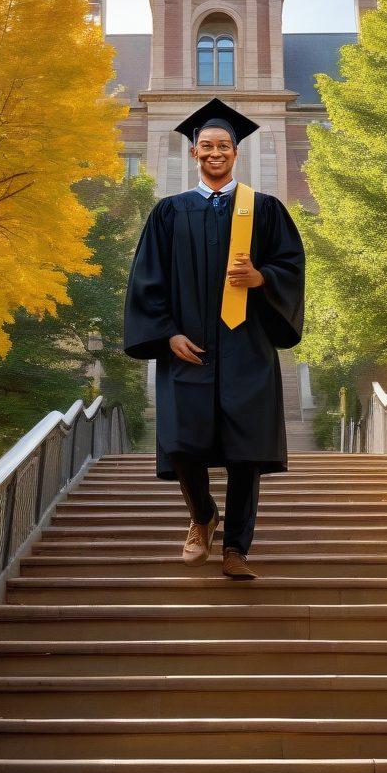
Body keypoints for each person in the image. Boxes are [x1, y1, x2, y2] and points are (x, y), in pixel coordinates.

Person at [123, 98, 305, 579]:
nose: (215, 152)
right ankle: (202, 515)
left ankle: (237, 548)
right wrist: (166, 334)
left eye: (223, 145)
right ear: (194, 153)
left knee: (246, 452)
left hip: (246, 346)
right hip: (188, 347)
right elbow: (147, 279)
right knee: (183, 442)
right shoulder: (168, 213)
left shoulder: (263, 210)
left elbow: (290, 266)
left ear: (235, 152)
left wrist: (263, 279)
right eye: (206, 145)